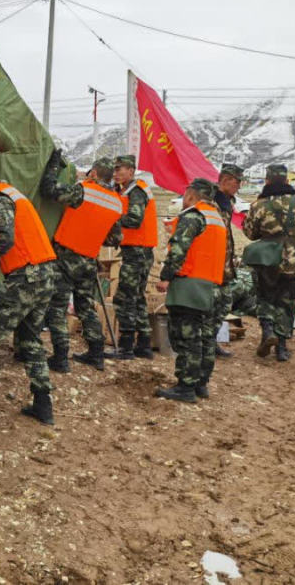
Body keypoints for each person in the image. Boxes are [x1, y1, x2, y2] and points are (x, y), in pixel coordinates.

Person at [0, 166, 58, 424]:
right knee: (29, 340)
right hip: (46, 275)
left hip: (26, 277)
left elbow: (5, 238)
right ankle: (43, 405)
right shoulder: (12, 195)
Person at [40, 152, 123, 372]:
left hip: (66, 257)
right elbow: (115, 238)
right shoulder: (116, 203)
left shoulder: (84, 190)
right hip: (88, 260)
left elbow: (48, 190)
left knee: (57, 307)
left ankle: (60, 358)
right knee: (85, 307)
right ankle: (96, 354)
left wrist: (53, 166)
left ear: (94, 173)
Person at [154, 179, 226, 402]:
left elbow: (179, 250)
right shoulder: (218, 219)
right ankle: (200, 384)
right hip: (212, 286)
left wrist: (166, 277)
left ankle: (185, 387)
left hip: (190, 286)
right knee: (205, 338)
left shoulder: (193, 216)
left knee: (187, 338)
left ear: (191, 195)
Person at [243, 164, 295, 362]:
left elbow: (250, 233)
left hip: (267, 259)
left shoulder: (259, 204)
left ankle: (267, 332)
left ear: (267, 180)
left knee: (266, 297)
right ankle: (282, 348)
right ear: (286, 181)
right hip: (294, 260)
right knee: (287, 302)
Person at [111, 155, 158, 359]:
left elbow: (134, 220)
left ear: (131, 171)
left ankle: (126, 345)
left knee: (125, 298)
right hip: (139, 251)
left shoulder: (136, 191)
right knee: (137, 298)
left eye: (120, 169)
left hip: (137, 252)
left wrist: (111, 218)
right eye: (115, 170)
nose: (116, 173)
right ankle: (144, 344)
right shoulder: (126, 190)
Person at [206, 164, 244, 365]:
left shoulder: (227, 201)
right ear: (226, 180)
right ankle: (205, 344)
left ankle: (211, 341)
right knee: (211, 305)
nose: (238, 186)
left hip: (225, 262)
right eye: (237, 182)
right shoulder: (211, 201)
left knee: (224, 304)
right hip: (212, 262)